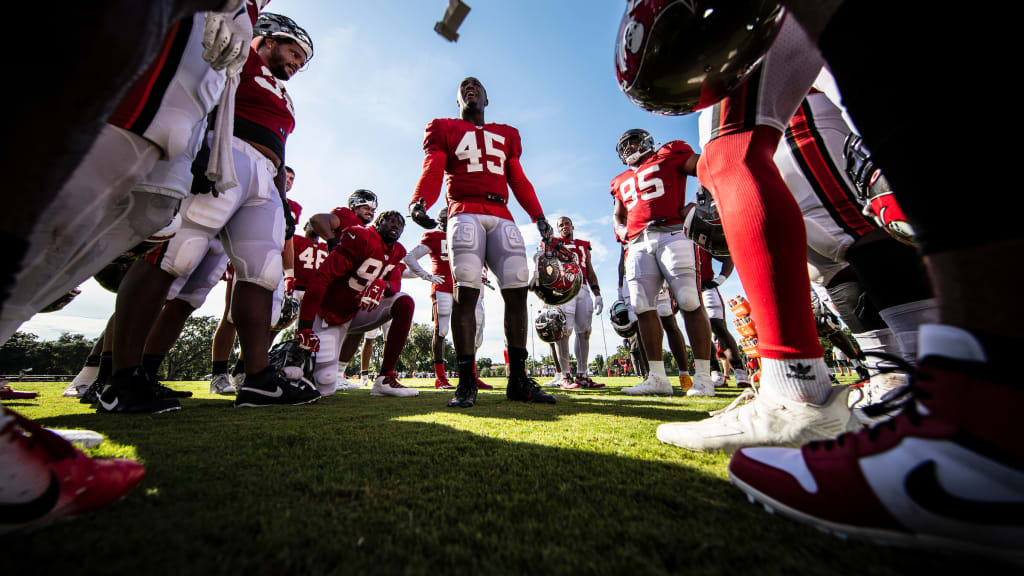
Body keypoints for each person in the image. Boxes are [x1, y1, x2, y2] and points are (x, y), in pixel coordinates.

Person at [108, 11, 315, 411]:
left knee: (262, 272)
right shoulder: (238, 51)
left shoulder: (281, 92)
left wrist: (280, 196)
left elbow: (278, 141)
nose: (296, 64)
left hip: (265, 175)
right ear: (268, 39)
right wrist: (198, 151)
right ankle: (121, 377)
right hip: (224, 152)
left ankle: (256, 379)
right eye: (293, 52)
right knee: (173, 254)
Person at [409, 76, 556, 408]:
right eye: (463, 87)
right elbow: (433, 168)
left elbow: (517, 177)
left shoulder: (506, 134)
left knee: (518, 287)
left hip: (502, 213)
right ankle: (465, 382)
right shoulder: (444, 128)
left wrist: (538, 215)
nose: (469, 87)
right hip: (464, 210)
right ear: (457, 101)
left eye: (475, 86)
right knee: (466, 289)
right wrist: (420, 201)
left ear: (487, 99)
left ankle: (518, 380)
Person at [610, 128, 714, 397]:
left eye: (633, 142)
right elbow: (618, 215)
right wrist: (620, 230)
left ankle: (703, 377)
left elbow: (708, 166)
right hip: (636, 242)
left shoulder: (669, 153)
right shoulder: (620, 180)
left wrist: (698, 202)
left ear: (646, 141)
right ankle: (657, 378)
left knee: (689, 300)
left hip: (672, 232)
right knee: (643, 307)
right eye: (625, 146)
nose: (629, 149)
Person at [295, 211, 418, 399]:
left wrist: (382, 284)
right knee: (324, 385)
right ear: (378, 223)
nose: (396, 225)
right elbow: (321, 278)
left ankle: (385, 377)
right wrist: (304, 327)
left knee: (404, 302)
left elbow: (395, 285)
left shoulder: (397, 250)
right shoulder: (360, 236)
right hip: (330, 313)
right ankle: (289, 369)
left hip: (358, 311)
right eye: (390, 221)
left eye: (400, 224)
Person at [550, 217, 605, 389]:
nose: (565, 227)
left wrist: (597, 293)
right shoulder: (554, 243)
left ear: (572, 226)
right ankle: (565, 376)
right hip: (564, 288)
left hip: (583, 288)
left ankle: (582, 375)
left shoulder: (583, 244)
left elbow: (589, 268)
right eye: (561, 225)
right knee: (565, 331)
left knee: (585, 332)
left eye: (567, 224)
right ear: (558, 230)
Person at [697, 249, 749, 386]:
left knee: (718, 327)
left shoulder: (695, 239)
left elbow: (728, 257)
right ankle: (715, 372)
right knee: (700, 332)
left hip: (706, 288)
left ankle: (739, 371)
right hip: (687, 290)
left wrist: (720, 279)